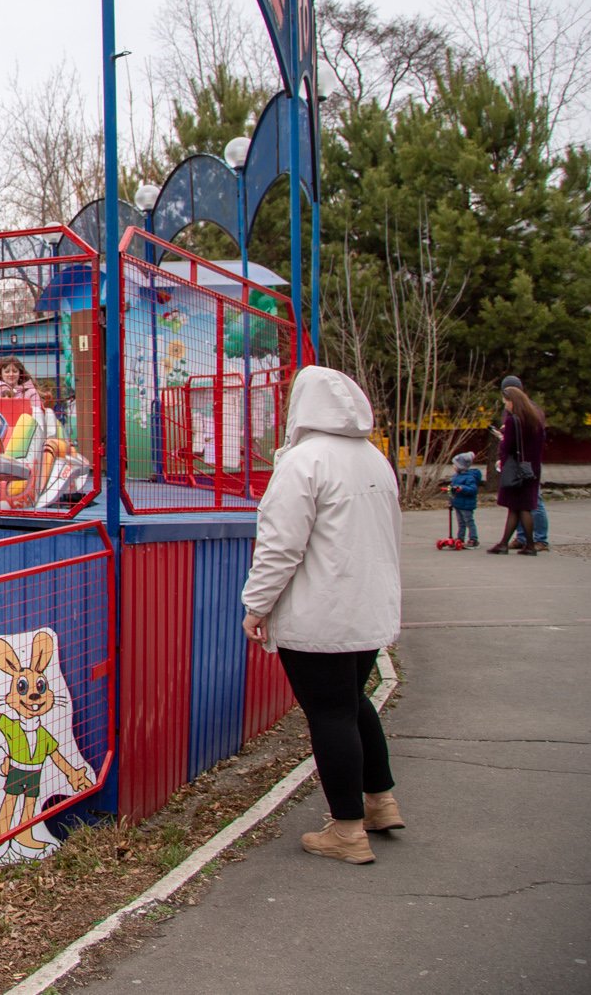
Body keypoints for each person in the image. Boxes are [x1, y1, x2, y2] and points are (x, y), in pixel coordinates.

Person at [241, 366, 403, 865]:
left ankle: (347, 831)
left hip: (320, 615)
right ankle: (380, 803)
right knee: (353, 703)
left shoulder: (304, 462)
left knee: (330, 714)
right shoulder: (374, 458)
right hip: (368, 610)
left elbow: (279, 547)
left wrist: (256, 605)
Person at [490, 382, 547, 555]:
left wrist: (502, 437)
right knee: (518, 506)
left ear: (512, 401)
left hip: (516, 468)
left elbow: (508, 446)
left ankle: (527, 545)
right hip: (531, 467)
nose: (505, 405)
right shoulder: (534, 417)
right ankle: (505, 544)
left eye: (506, 401)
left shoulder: (513, 420)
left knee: (520, 507)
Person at [446, 451, 481, 547]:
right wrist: (450, 501)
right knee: (460, 522)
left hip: (466, 504)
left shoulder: (470, 478)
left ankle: (473, 538)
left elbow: (473, 489)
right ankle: (460, 538)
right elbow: (451, 488)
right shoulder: (455, 477)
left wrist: (462, 488)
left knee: (469, 521)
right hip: (458, 503)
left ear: (461, 466)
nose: (453, 466)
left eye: (455, 465)